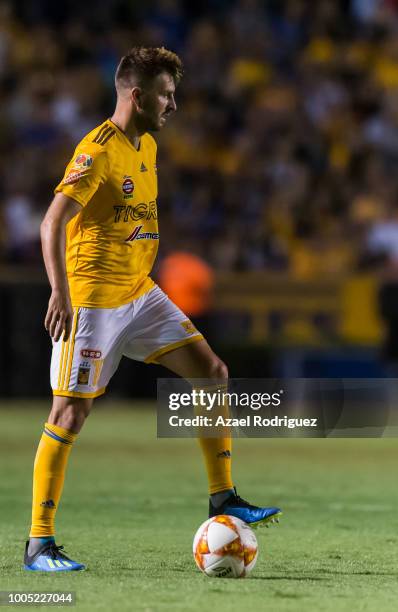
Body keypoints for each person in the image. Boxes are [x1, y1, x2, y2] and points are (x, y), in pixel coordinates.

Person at [23, 46, 281, 572]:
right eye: (165, 94)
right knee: (69, 414)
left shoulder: (145, 146)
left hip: (140, 293)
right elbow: (51, 224)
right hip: (93, 302)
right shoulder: (96, 152)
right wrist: (59, 291)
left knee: (211, 371)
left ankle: (222, 496)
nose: (174, 104)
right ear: (137, 96)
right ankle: (39, 545)